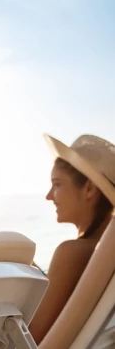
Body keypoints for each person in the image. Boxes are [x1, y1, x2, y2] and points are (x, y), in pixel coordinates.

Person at [29, 134, 115, 344]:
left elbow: (27, 339)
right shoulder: (101, 257)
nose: (49, 196)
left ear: (89, 189)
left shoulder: (72, 253)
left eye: (57, 184)